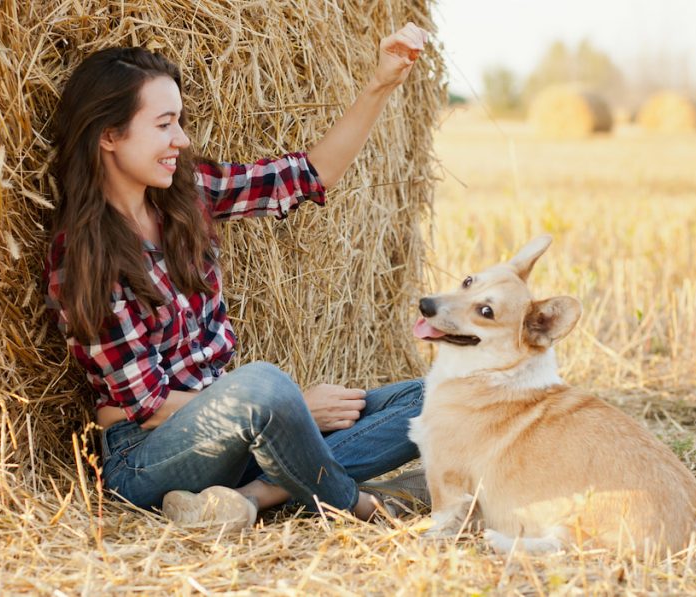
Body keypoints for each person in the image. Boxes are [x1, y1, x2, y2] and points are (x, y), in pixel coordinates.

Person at [44, 23, 429, 530]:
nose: (180, 140)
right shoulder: (84, 255)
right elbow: (151, 404)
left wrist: (381, 83)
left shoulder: (189, 194)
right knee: (265, 385)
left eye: (179, 122)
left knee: (439, 393)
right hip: (147, 454)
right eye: (164, 124)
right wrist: (289, 410)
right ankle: (365, 506)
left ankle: (250, 498)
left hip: (240, 429)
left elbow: (308, 175)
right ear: (110, 135)